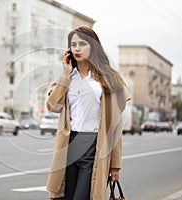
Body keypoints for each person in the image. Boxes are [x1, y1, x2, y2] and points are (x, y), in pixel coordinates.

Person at [45, 26, 131, 200]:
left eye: (82, 44)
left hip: (94, 146)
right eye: (73, 44)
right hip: (68, 146)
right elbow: (52, 106)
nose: (77, 48)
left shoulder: (108, 79)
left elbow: (115, 125)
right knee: (65, 196)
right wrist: (66, 74)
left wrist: (115, 165)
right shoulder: (68, 78)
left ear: (93, 46)